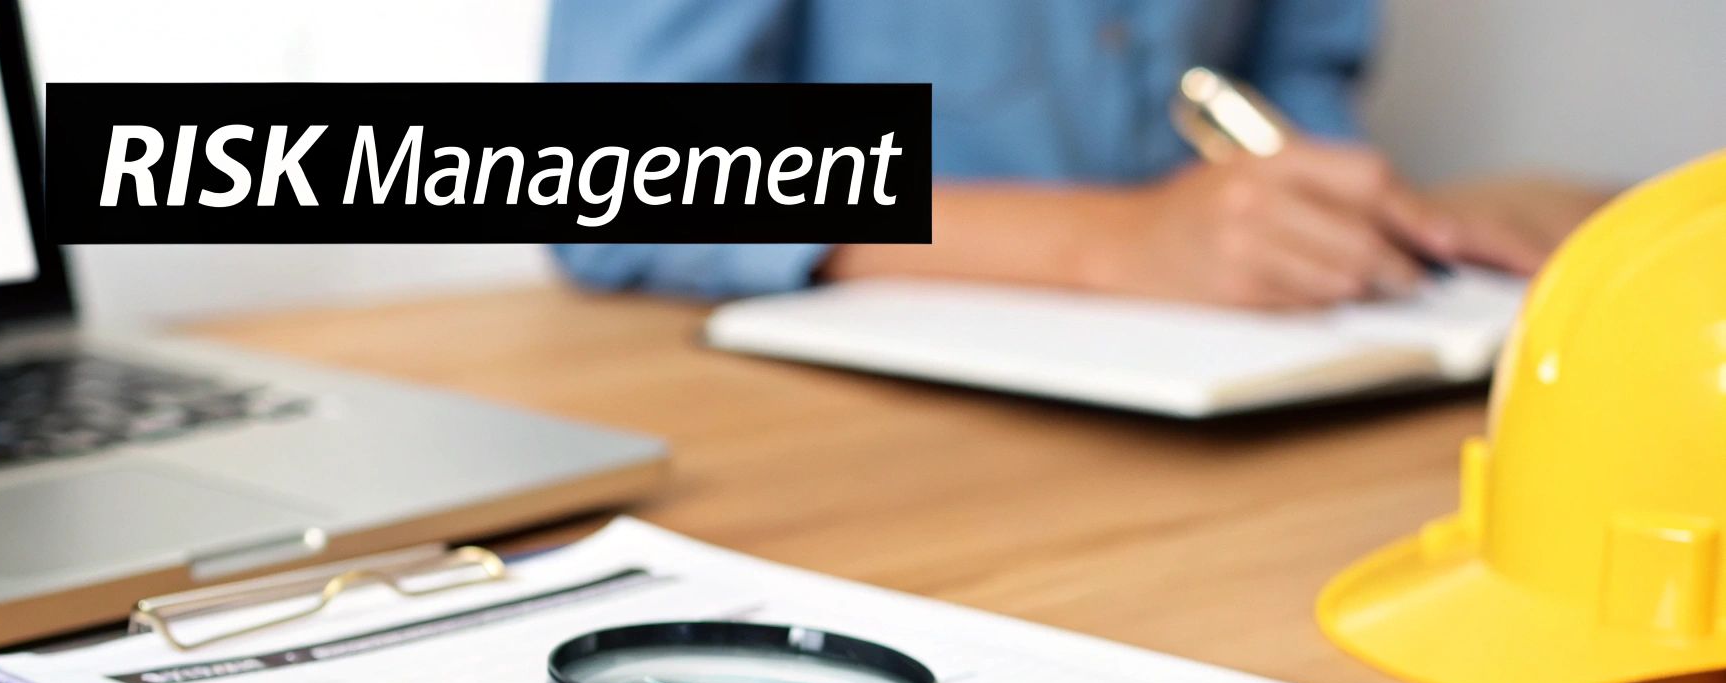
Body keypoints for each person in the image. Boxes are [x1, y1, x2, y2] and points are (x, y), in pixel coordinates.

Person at [546, 0, 1608, 309]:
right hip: (837, 421)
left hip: (1208, 388)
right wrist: (1113, 242)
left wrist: (1392, 221)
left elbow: (1289, 79)